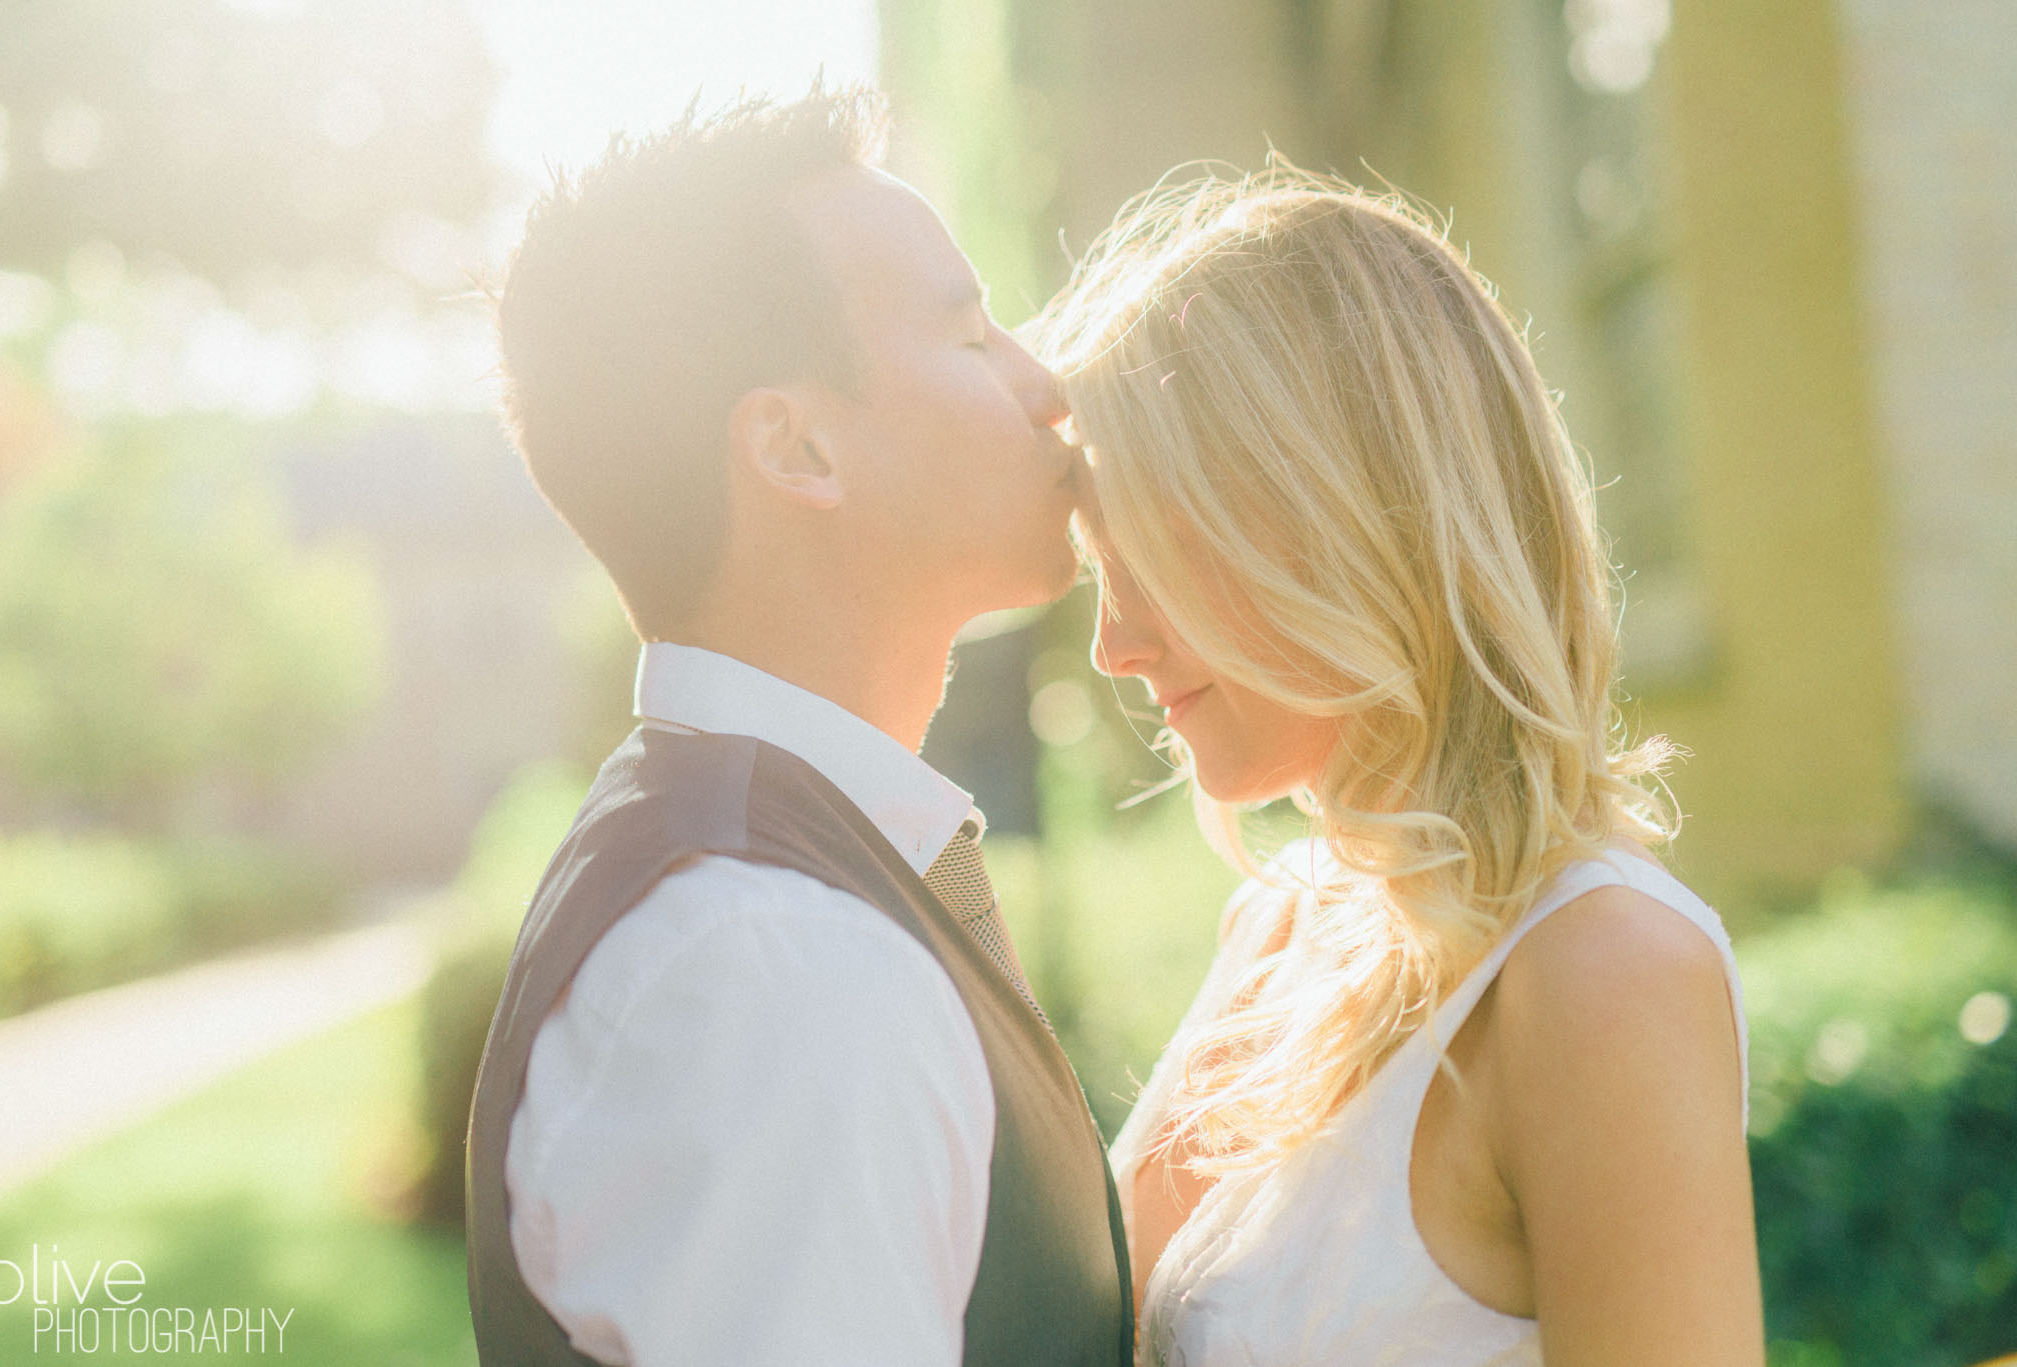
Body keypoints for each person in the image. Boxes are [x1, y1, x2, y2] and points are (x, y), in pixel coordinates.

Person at [1025, 167, 1764, 1366]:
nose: (1115, 641)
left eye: (1151, 550)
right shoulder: (1274, 924)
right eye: (1100, 560)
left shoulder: (1601, 973)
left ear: (1347, 521)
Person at [464, 86, 1134, 1367]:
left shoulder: (765, 883)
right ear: (798, 447)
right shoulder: (773, 963)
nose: (1045, 385)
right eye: (971, 334)